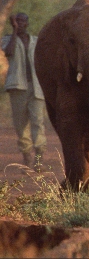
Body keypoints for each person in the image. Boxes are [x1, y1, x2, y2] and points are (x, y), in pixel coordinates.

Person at [2, 13, 47, 169]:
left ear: (27, 23)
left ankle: (39, 158)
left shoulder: (35, 41)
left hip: (36, 87)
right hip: (17, 87)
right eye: (17, 21)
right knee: (21, 125)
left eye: (22, 21)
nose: (20, 23)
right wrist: (14, 31)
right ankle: (27, 155)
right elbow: (8, 52)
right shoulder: (8, 39)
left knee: (38, 122)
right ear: (13, 23)